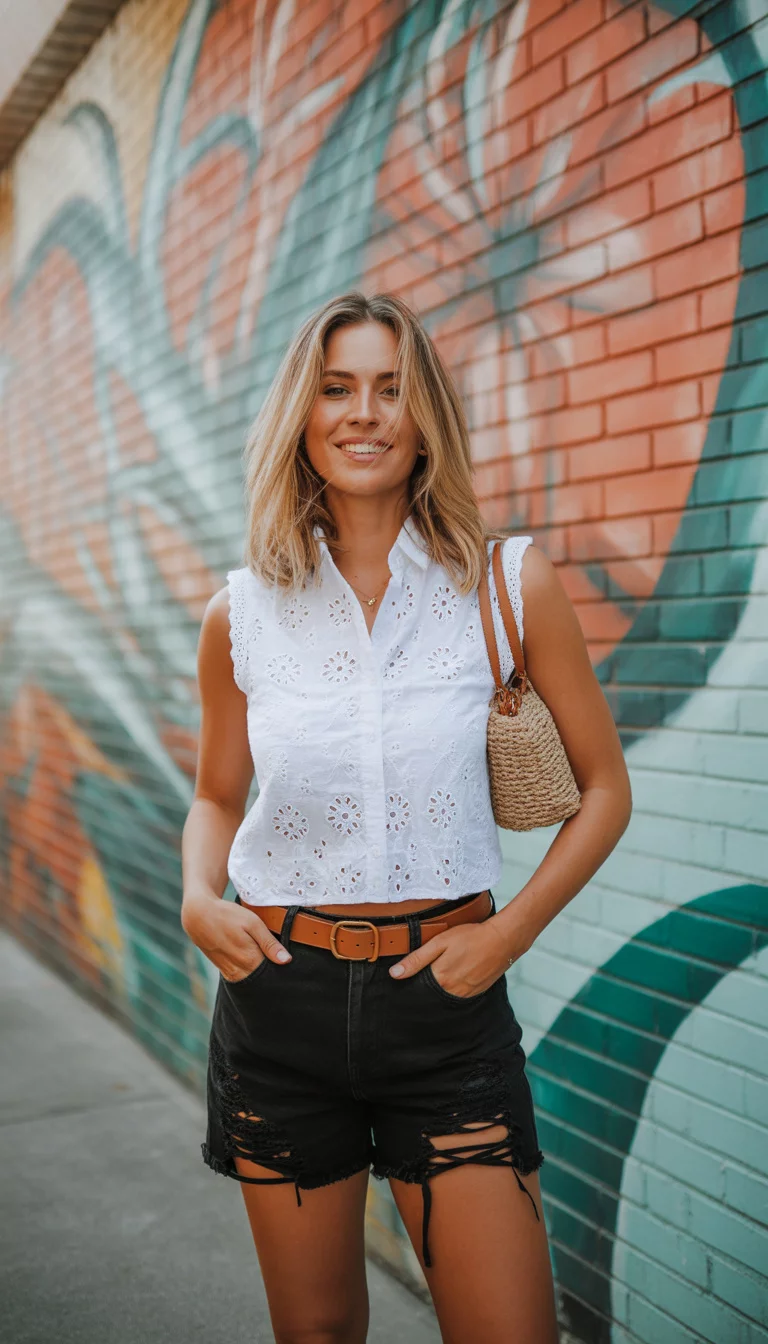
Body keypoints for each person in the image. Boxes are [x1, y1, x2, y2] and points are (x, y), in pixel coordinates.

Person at [180, 291, 632, 1344]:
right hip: (279, 1006)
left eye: (392, 388)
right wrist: (200, 898)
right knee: (320, 1335)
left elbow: (604, 792)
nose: (365, 412)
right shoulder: (240, 612)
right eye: (337, 388)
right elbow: (215, 795)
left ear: (426, 415)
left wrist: (504, 937)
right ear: (302, 413)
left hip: (447, 1007)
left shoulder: (509, 586)